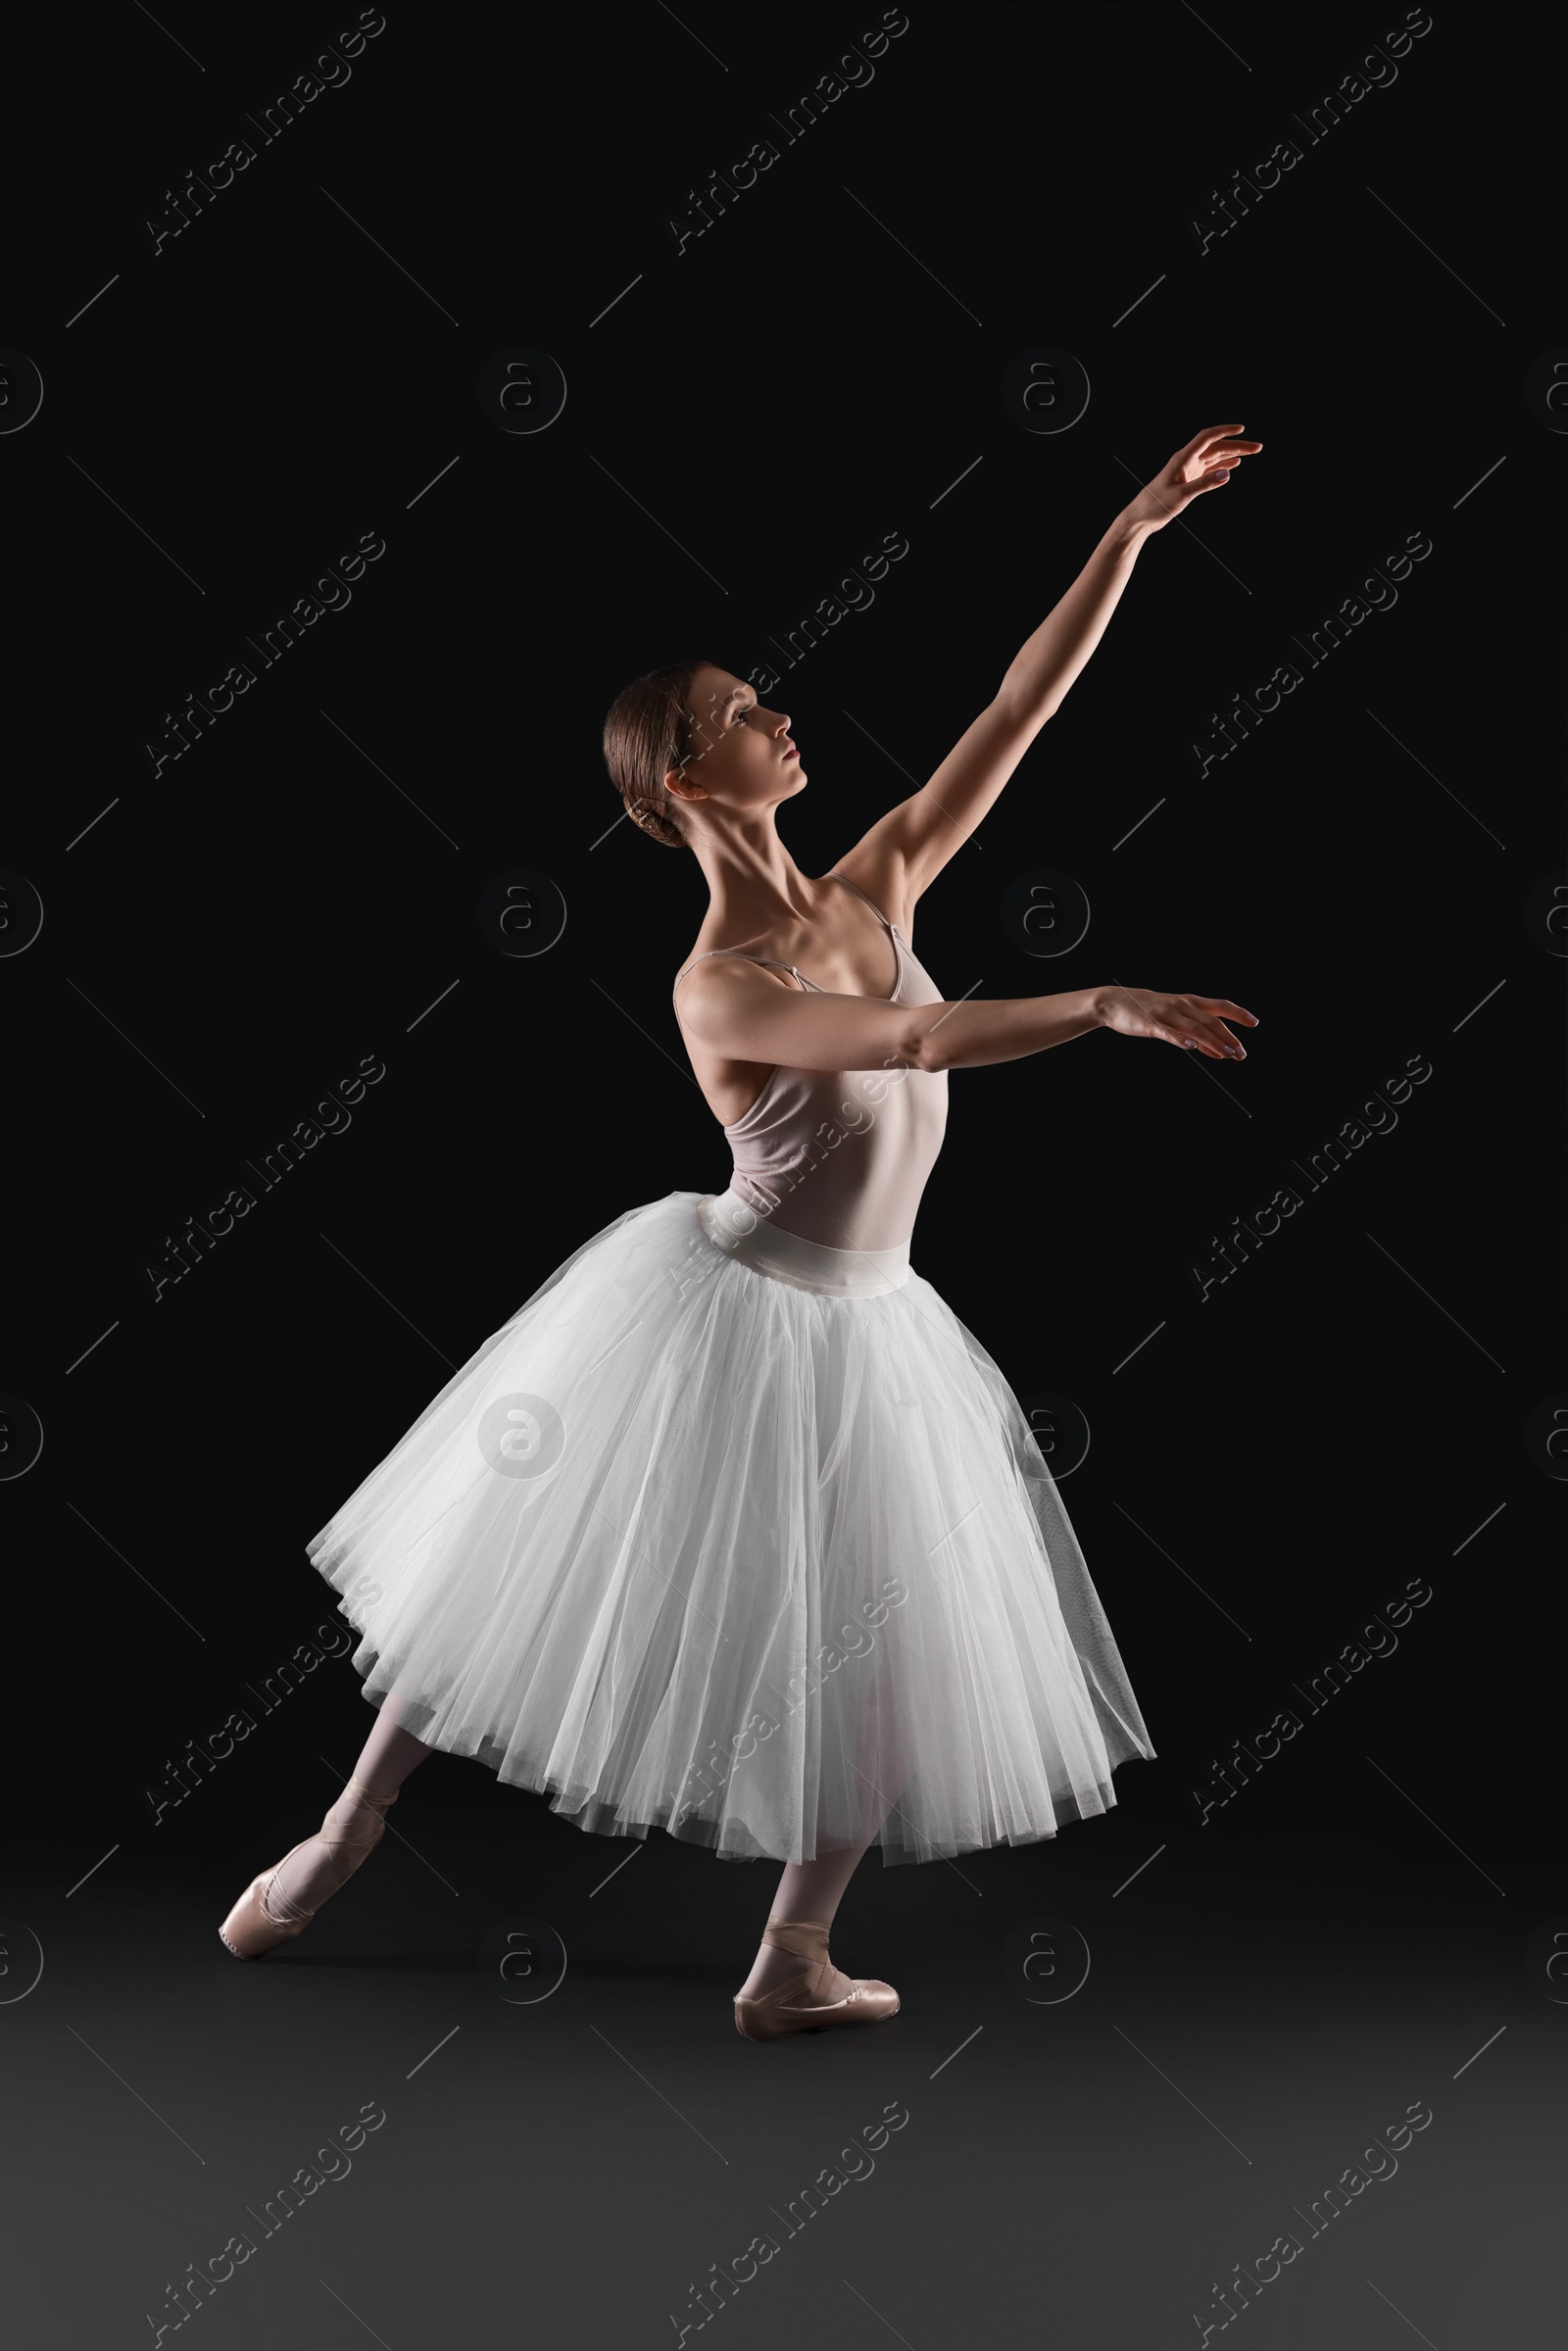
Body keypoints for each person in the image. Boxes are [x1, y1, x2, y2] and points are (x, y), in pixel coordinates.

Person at [220, 422, 1262, 2042]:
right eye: (744, 712)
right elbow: (912, 1047)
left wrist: (1133, 526)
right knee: (528, 1571)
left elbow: (1015, 712)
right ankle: (343, 1833)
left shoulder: (876, 889)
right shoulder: (723, 981)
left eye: (764, 696)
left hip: (876, 1319)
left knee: (889, 1635)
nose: (782, 713)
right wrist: (1106, 1000)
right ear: (690, 782)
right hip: (725, 1308)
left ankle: (792, 1955)